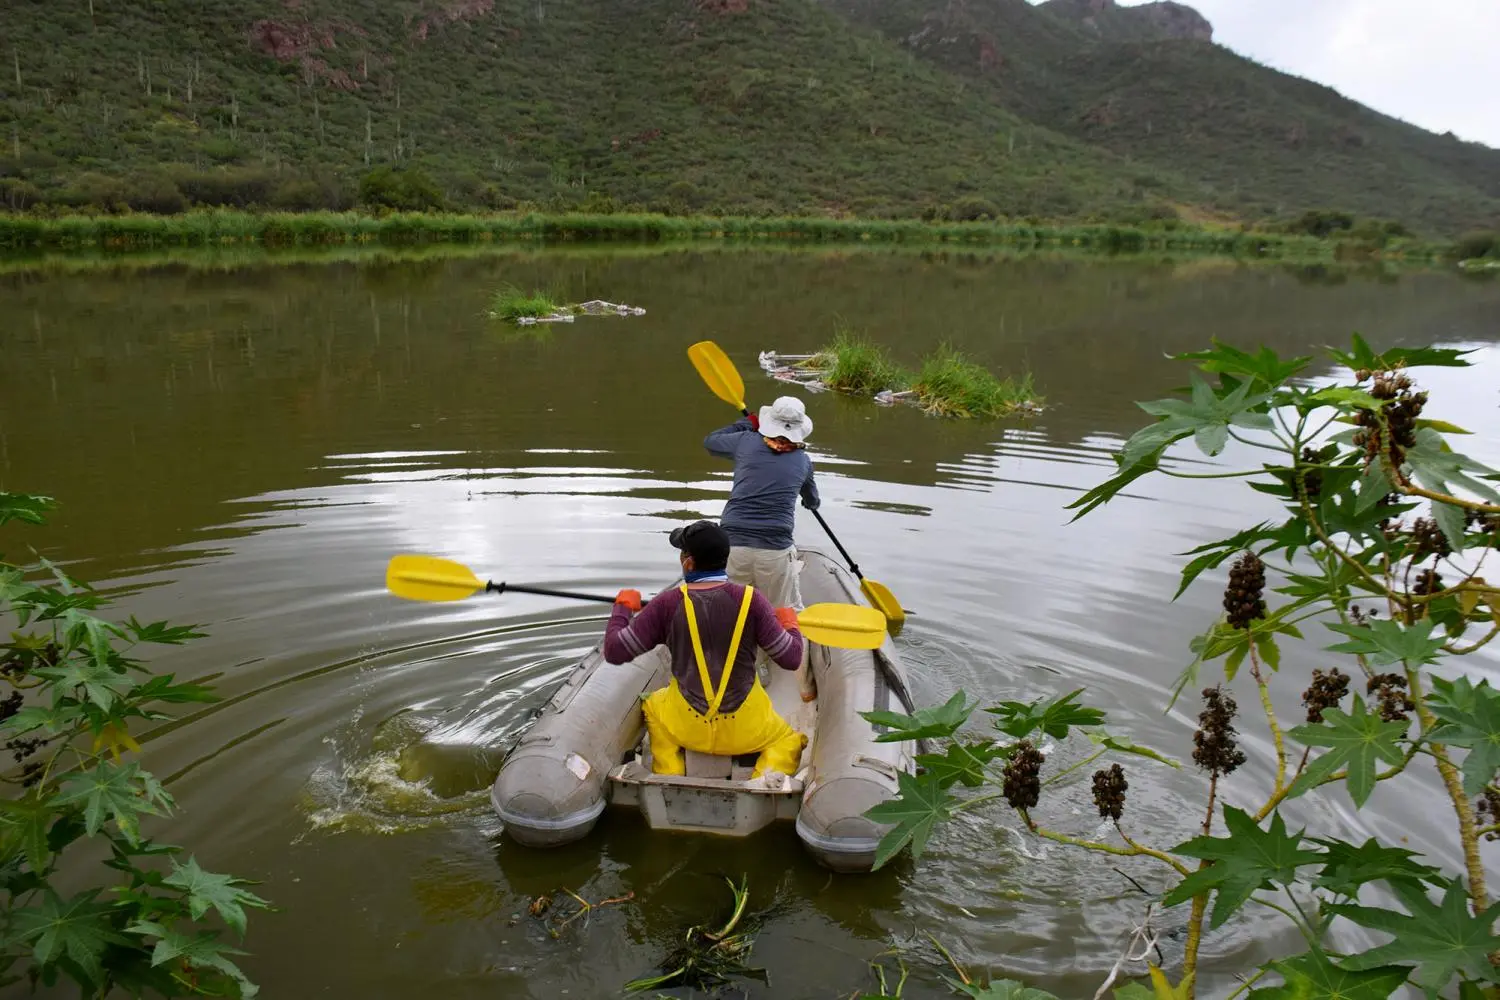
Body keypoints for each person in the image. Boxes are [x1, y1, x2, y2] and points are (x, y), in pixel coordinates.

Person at [603, 520, 807, 780]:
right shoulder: (752, 601)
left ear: (688, 563)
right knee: (787, 739)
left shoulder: (667, 604)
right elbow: (791, 658)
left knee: (652, 705)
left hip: (687, 727)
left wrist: (621, 609)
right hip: (745, 729)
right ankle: (763, 781)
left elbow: (615, 650)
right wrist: (790, 625)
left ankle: (669, 772)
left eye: (682, 553)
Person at [703, 395, 819, 611]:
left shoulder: (745, 440)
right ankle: (781, 643)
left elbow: (710, 441)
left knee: (729, 610)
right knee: (780, 612)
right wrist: (811, 502)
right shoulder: (804, 461)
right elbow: (812, 500)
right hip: (775, 549)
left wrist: (747, 424)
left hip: (733, 544)